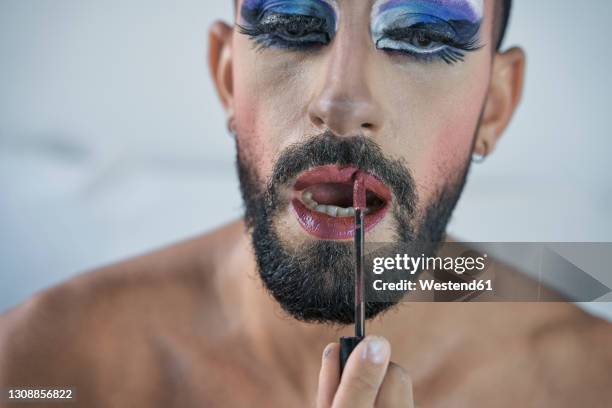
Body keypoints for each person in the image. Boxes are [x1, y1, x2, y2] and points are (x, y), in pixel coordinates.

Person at [1, 0, 611, 406]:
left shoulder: (589, 382)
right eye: (291, 22)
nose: (342, 102)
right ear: (227, 77)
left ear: (496, 107)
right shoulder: (44, 372)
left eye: (423, 35)